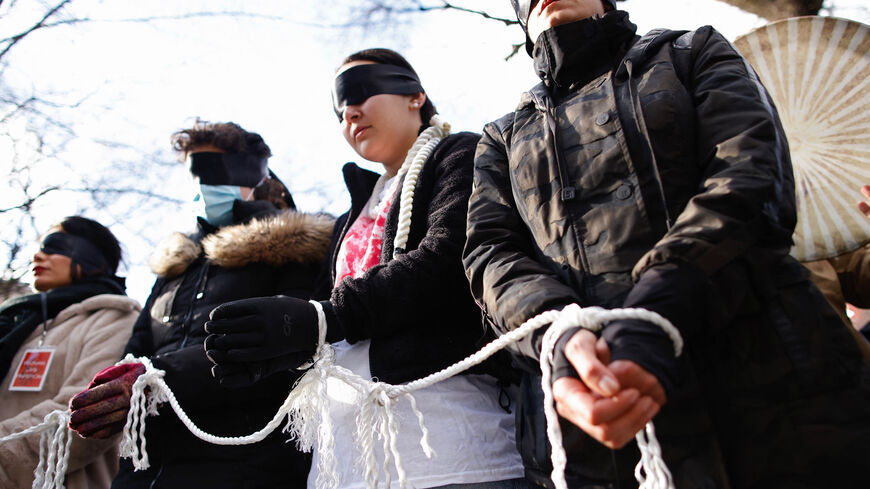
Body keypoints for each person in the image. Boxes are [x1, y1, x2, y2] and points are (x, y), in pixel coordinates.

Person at [462, 1, 870, 488]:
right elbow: (490, 255)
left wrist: (655, 310)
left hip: (771, 384)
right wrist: (561, 339)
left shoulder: (693, 50)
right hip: (596, 429)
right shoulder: (501, 139)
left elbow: (748, 173)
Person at [204, 49, 528, 488]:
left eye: (361, 92)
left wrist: (323, 318)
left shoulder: (460, 154)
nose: (350, 112)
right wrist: (282, 347)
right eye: (340, 109)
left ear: (416, 96)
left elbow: (448, 261)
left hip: (448, 439)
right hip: (347, 449)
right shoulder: (350, 217)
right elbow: (329, 318)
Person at [68, 120, 334, 488]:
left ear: (251, 175)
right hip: (149, 464)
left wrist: (157, 377)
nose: (203, 187)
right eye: (194, 174)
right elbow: (138, 349)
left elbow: (282, 349)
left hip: (245, 460)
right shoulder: (174, 266)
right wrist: (119, 388)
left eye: (212, 172)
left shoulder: (297, 253)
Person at [0, 216, 139, 489]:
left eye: (55, 246)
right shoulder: (19, 325)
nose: (38, 256)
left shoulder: (116, 318)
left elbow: (84, 413)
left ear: (90, 255)